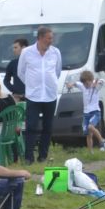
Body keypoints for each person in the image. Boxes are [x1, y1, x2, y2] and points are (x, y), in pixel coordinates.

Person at [20, 26, 65, 164]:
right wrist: (32, 85)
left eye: (51, 38)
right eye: (48, 38)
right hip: (33, 95)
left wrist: (50, 83)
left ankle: (43, 155)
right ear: (39, 38)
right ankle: (28, 157)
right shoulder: (27, 52)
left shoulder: (55, 52)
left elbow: (57, 71)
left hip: (50, 95)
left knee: (48, 126)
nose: (51, 41)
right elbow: (21, 72)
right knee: (31, 126)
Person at [78, 70, 105, 150]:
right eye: (84, 84)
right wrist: (71, 84)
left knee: (90, 126)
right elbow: (77, 84)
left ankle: (102, 141)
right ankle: (90, 152)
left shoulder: (96, 88)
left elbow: (103, 81)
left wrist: (95, 83)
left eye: (87, 83)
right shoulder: (83, 87)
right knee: (88, 134)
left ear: (91, 81)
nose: (85, 85)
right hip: (86, 113)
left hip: (95, 112)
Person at [1, 37, 28, 109]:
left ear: (23, 48)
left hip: (31, 98)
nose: (14, 50)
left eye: (16, 47)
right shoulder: (12, 64)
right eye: (13, 48)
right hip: (17, 99)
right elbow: (6, 80)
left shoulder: (32, 62)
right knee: (18, 118)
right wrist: (14, 89)